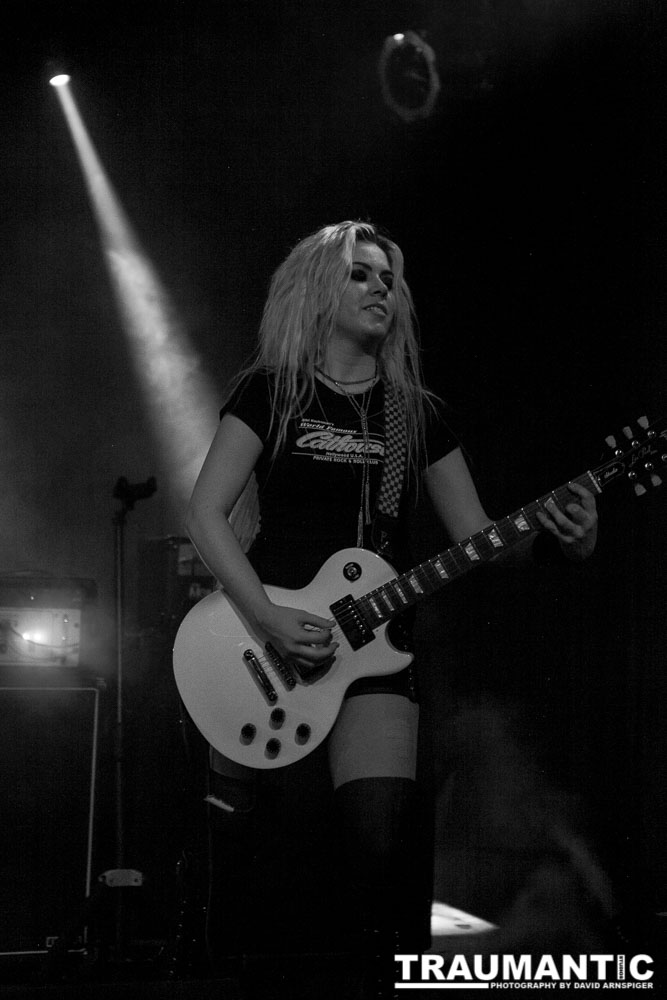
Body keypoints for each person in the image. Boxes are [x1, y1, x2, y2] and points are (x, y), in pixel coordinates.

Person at [184, 220, 598, 997]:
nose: (381, 288)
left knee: (377, 841)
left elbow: (477, 538)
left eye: (388, 278)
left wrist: (557, 543)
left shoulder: (415, 413)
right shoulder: (269, 392)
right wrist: (268, 617)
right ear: (318, 289)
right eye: (361, 274)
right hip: (255, 635)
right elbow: (205, 514)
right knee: (241, 838)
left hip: (373, 648)